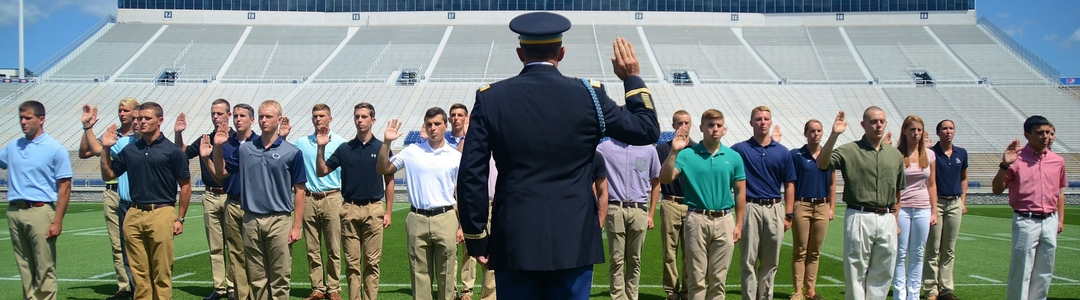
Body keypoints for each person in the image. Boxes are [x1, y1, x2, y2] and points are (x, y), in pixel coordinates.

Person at [456, 12, 659, 299]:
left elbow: (471, 174)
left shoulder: (492, 98)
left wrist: (477, 238)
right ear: (561, 53)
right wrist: (632, 78)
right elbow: (646, 130)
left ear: (519, 53)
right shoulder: (591, 96)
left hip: (515, 238)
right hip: (573, 240)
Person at [207, 100, 306, 300]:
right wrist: (218, 147)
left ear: (279, 119)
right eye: (261, 116)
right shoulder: (245, 149)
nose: (263, 120)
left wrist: (296, 226)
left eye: (268, 116)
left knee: (279, 278)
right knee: (257, 279)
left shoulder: (292, 152)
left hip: (279, 219)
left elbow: (300, 190)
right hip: (250, 219)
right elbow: (222, 172)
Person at [100, 102, 193, 300]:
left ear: (160, 121)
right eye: (139, 118)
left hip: (161, 211)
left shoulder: (172, 151)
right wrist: (105, 149)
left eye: (146, 118)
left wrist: (180, 218)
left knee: (161, 271)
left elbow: (186, 185)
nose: (141, 122)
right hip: (134, 213)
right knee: (139, 274)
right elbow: (108, 175)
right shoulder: (130, 150)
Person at [816, 108, 905, 300]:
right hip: (859, 214)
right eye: (873, 121)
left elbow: (898, 191)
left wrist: (895, 218)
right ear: (863, 125)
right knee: (855, 269)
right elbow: (822, 164)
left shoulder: (895, 155)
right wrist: (834, 135)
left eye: (881, 121)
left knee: (884, 270)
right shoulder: (850, 150)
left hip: (887, 216)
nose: (878, 125)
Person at [659, 109, 745, 300]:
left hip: (724, 220)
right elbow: (665, 178)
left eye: (718, 125)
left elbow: (740, 193)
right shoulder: (688, 154)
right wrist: (673, 151)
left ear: (724, 129)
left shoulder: (734, 157)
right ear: (702, 128)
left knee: (718, 280)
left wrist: (739, 224)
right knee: (696, 279)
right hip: (696, 219)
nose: (715, 129)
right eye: (710, 125)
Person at [377, 107, 462, 300]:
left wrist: (461, 225)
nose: (433, 128)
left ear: (445, 126)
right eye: (429, 124)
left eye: (437, 124)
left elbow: (461, 193)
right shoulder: (412, 151)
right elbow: (383, 168)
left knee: (447, 275)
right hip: (417, 218)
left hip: (446, 216)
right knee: (419, 274)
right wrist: (387, 142)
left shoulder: (455, 156)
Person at [313, 102, 395, 300]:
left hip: (374, 208)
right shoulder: (345, 148)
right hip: (349, 208)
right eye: (357, 116)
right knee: (352, 264)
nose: (360, 120)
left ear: (372, 120)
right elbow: (321, 171)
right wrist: (321, 148)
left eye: (364, 117)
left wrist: (388, 212)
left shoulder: (381, 147)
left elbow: (389, 180)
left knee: (372, 262)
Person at [2, 101, 73, 300]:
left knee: (44, 265)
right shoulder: (13, 146)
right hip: (15, 210)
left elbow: (65, 187)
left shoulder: (55, 149)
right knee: (24, 265)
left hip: (40, 211)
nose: (23, 122)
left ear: (41, 119)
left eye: (28, 118)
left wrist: (57, 220)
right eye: (21, 118)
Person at [992, 116, 1066, 300]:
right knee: (1021, 271)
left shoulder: (1058, 161)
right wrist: (1004, 166)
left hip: (1050, 219)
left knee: (1044, 272)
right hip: (1026, 219)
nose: (1045, 137)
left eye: (1048, 132)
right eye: (1040, 133)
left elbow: (1059, 192)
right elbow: (996, 189)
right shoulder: (1016, 160)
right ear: (1027, 135)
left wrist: (1060, 219)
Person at [730, 106, 795, 300]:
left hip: (775, 208)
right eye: (758, 119)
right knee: (748, 260)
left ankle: (766, 297)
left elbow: (790, 184)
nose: (762, 122)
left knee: (770, 261)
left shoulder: (783, 152)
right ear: (751, 123)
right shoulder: (740, 149)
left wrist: (789, 214)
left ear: (771, 122)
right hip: (750, 207)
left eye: (766, 119)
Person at [174, 98, 237, 300]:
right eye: (213, 113)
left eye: (220, 113)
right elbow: (180, 154)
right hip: (210, 195)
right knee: (215, 245)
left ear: (229, 115)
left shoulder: (237, 140)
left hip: (231, 195)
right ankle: (219, 288)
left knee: (236, 245)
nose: (216, 117)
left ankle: (234, 286)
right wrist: (178, 133)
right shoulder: (205, 139)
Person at [78, 98, 138, 300]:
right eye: (120, 110)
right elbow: (85, 151)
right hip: (112, 191)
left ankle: (139, 284)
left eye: (126, 110)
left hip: (131, 193)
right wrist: (88, 128)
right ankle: (124, 286)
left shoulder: (137, 137)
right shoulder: (114, 135)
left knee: (134, 242)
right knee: (117, 243)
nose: (122, 114)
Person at [597, 137, 661, 300]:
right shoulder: (605, 148)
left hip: (639, 209)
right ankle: (618, 297)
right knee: (616, 259)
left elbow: (656, 181)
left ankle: (632, 296)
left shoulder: (649, 149)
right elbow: (594, 174)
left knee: (635, 259)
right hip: (614, 208)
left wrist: (651, 214)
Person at [295, 103, 347, 300]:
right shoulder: (301, 142)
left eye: (322, 116)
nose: (318, 119)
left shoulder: (341, 143)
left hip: (332, 197)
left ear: (330, 119)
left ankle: (333, 287)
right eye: (315, 116)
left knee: (334, 246)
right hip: (308, 198)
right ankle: (317, 287)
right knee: (312, 247)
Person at [212, 103, 258, 300]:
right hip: (233, 202)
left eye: (242, 116)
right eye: (236, 116)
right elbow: (219, 174)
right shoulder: (226, 142)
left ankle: (257, 293)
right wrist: (217, 146)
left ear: (252, 120)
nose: (238, 119)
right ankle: (241, 294)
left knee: (256, 254)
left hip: (256, 206)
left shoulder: (259, 142)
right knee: (236, 254)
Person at [789, 119, 836, 300]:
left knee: (814, 251)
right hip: (802, 205)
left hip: (822, 206)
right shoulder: (796, 155)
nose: (815, 134)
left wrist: (831, 207)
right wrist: (791, 209)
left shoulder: (828, 155)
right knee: (800, 250)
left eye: (818, 131)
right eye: (812, 131)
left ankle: (811, 290)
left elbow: (832, 184)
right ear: (805, 133)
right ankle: (798, 291)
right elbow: (791, 183)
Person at [893, 116, 938, 300]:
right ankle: (899, 295)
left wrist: (934, 210)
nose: (916, 134)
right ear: (904, 131)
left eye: (919, 130)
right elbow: (894, 187)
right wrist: (894, 215)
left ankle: (914, 295)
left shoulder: (929, 155)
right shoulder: (896, 154)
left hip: (923, 207)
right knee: (900, 253)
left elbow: (932, 184)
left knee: (918, 253)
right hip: (902, 208)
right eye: (912, 129)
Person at [654, 110, 696, 300]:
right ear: (673, 126)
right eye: (679, 123)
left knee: (691, 252)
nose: (683, 126)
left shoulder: (697, 149)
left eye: (686, 123)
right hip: (670, 202)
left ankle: (687, 291)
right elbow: (656, 178)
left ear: (691, 125)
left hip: (692, 204)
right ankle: (672, 291)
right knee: (669, 251)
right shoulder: (662, 149)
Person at [923, 119, 967, 300]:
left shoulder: (961, 153)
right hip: (937, 203)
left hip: (955, 202)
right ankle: (931, 289)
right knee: (933, 248)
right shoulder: (932, 153)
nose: (948, 131)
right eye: (944, 129)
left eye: (951, 128)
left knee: (949, 249)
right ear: (938, 132)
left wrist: (963, 201)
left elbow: (964, 178)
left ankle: (947, 288)